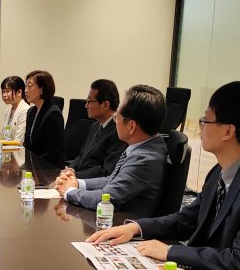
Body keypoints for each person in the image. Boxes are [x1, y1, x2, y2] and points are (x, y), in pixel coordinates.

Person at [88, 81, 240, 270]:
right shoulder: (221, 169)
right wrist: (136, 227)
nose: (200, 128)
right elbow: (188, 219)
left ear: (228, 131)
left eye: (205, 120)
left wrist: (170, 252)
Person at [55, 84, 168, 218]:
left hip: (123, 220)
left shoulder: (144, 159)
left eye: (116, 117)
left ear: (131, 126)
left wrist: (69, 191)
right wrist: (78, 183)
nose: (115, 121)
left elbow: (105, 199)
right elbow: (112, 180)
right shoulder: (144, 147)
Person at [63, 79, 126, 179]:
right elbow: (82, 155)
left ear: (105, 105)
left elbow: (106, 170)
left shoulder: (118, 131)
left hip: (93, 184)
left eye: (89, 101)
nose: (86, 105)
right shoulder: (95, 125)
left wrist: (75, 177)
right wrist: (70, 170)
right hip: (77, 179)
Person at [22, 70, 64, 164]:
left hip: (48, 167)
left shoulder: (53, 114)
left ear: (42, 89)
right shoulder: (31, 111)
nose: (26, 90)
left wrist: (32, 164)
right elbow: (28, 144)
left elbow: (53, 152)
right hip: (33, 165)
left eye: (30, 86)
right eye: (26, 86)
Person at [0, 75, 29, 141]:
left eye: (8, 91)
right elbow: (5, 137)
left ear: (19, 92)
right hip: (8, 146)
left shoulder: (25, 110)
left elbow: (19, 141)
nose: (4, 95)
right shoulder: (8, 110)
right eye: (3, 91)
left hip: (18, 147)